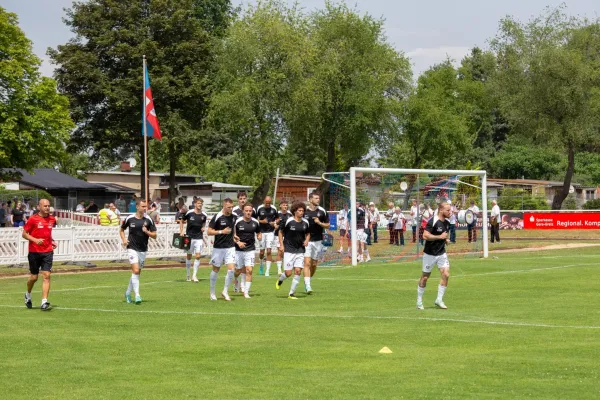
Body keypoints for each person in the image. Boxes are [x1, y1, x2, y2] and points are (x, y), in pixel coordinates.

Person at [120, 199, 157, 304]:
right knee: (135, 271)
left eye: (146, 206)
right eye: (143, 206)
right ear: (137, 207)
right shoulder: (130, 218)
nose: (145, 208)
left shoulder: (148, 219)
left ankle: (127, 293)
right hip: (132, 248)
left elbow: (155, 235)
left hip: (143, 249)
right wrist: (124, 239)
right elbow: (121, 229)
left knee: (136, 273)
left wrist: (147, 232)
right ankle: (137, 295)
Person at [22, 199, 57, 311]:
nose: (47, 208)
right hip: (34, 252)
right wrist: (35, 240)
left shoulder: (52, 219)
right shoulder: (33, 219)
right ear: (39, 207)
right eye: (45, 206)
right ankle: (28, 294)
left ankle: (44, 302)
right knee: (34, 277)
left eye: (48, 205)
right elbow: (24, 234)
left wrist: (51, 241)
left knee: (46, 275)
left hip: (47, 251)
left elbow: (47, 233)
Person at [417, 202, 452, 310]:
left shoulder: (447, 223)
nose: (450, 212)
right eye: (448, 210)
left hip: (441, 253)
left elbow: (443, 235)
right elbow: (425, 236)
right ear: (441, 210)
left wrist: (446, 239)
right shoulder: (432, 221)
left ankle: (439, 300)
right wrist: (440, 237)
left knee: (446, 274)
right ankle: (419, 301)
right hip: (429, 254)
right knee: (425, 277)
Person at [275, 201, 310, 299]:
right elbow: (280, 232)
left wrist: (307, 240)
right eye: (299, 210)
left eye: (303, 211)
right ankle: (280, 279)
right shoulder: (288, 221)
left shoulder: (305, 222)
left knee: (298, 271)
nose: (301, 212)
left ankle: (291, 293)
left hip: (300, 250)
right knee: (288, 273)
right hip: (289, 250)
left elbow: (308, 234)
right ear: (295, 211)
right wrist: (281, 245)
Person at [207, 198, 237, 301]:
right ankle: (212, 292)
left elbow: (233, 229)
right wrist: (221, 232)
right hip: (218, 247)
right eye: (229, 207)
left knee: (231, 270)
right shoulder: (218, 217)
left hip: (230, 247)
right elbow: (209, 232)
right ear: (224, 206)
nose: (231, 208)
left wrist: (235, 236)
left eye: (232, 206)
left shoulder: (234, 217)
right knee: (216, 270)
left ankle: (225, 291)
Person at [303, 191, 330, 293]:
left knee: (314, 264)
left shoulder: (322, 211)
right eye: (316, 198)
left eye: (318, 198)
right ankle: (308, 285)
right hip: (306, 241)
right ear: (310, 199)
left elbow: (328, 225)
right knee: (307, 263)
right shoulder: (304, 211)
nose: (318, 200)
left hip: (318, 241)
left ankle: (308, 280)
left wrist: (319, 223)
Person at [233, 203, 262, 298]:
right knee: (238, 270)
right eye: (246, 211)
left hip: (250, 249)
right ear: (243, 211)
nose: (248, 212)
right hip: (238, 250)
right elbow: (232, 236)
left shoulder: (255, 222)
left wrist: (259, 236)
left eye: (250, 211)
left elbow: (258, 232)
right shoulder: (238, 222)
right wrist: (238, 243)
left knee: (249, 270)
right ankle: (236, 279)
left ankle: (246, 292)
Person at [180, 198, 208, 282]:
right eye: (198, 203)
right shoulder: (189, 213)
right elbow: (181, 221)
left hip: (199, 237)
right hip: (189, 237)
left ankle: (194, 275)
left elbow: (204, 222)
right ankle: (188, 274)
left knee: (198, 256)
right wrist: (181, 231)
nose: (200, 205)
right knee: (189, 256)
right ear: (195, 204)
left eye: (201, 204)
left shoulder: (204, 215)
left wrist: (203, 227)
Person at [256, 196, 279, 276]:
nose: (268, 204)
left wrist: (275, 223)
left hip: (270, 232)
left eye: (269, 203)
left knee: (269, 251)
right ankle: (261, 264)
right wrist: (262, 221)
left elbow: (277, 218)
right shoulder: (259, 208)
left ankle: (267, 271)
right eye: (266, 203)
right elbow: (255, 219)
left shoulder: (274, 208)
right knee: (262, 252)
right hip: (261, 232)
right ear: (264, 201)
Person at [275, 200, 292, 275]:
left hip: (288, 235)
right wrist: (276, 224)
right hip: (278, 235)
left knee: (286, 252)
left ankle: (286, 268)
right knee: (280, 251)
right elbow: (273, 223)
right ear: (280, 206)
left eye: (286, 205)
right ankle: (279, 269)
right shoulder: (277, 214)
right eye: (284, 205)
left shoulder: (290, 214)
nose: (285, 206)